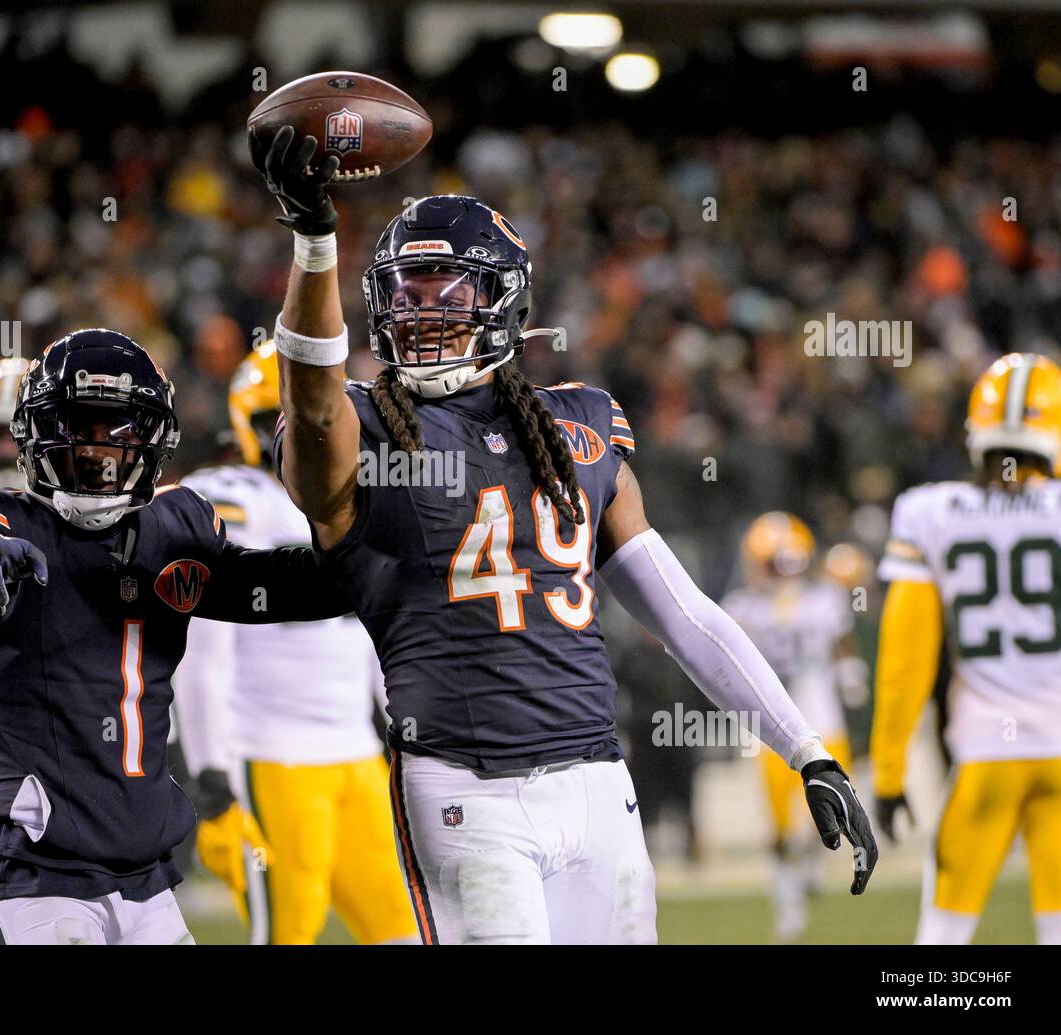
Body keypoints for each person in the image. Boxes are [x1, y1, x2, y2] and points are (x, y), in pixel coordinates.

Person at [250, 127, 878, 944]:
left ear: (505, 299)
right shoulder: (366, 425)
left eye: (448, 291)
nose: (421, 311)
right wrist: (313, 244)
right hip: (464, 790)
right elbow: (310, 407)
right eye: (405, 291)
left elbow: (681, 613)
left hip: (596, 783)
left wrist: (807, 749)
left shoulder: (578, 422)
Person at [0, 328, 355, 946]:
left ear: (155, 440)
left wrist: (371, 556)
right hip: (27, 875)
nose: (98, 452)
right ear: (39, 431)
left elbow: (270, 588)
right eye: (81, 427)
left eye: (119, 431)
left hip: (146, 883)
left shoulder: (176, 525)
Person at [173, 341, 416, 944]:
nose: (295, 437)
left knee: (408, 930)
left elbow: (376, 639)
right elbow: (205, 650)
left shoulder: (358, 500)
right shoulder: (231, 498)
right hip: (274, 758)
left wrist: (406, 731)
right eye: (275, 421)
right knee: (285, 935)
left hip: (358, 758)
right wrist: (210, 772)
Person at [872, 352, 1061, 945]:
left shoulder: (931, 512)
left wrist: (889, 769)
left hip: (986, 760)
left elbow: (906, 657)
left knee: (943, 949)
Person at [722, 512, 863, 940]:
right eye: (774, 563)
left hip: (821, 715)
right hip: (771, 726)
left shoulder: (824, 599)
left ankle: (816, 863)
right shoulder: (742, 608)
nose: (780, 572)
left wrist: (849, 672)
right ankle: (789, 905)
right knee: (782, 827)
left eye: (784, 562)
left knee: (831, 811)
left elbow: (841, 643)